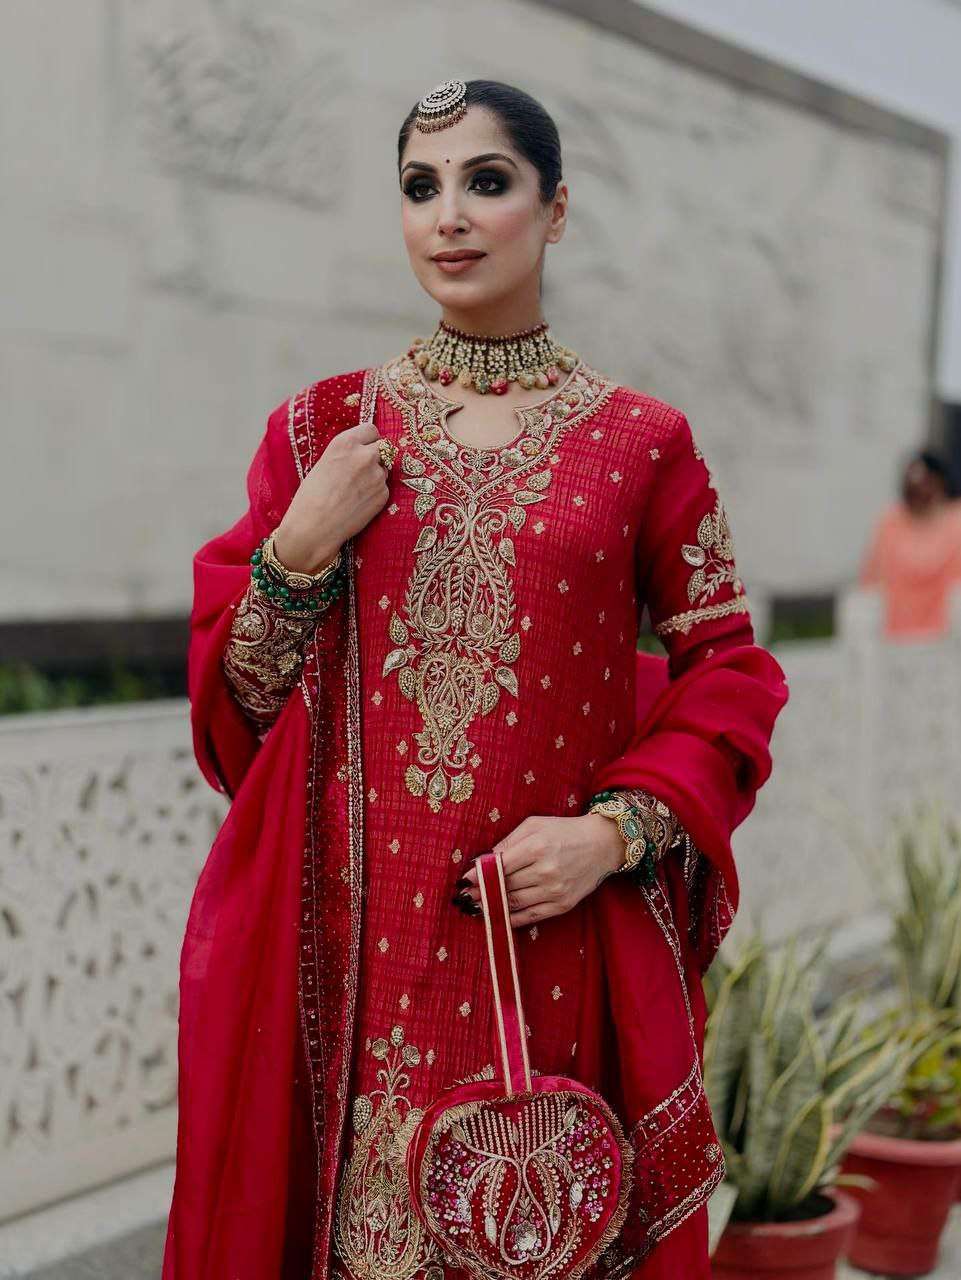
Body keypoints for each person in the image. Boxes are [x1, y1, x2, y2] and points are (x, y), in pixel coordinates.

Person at [163, 79, 788, 1280]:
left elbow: (729, 672)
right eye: (420, 187)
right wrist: (298, 546)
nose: (447, 214)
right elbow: (239, 714)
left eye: (485, 181)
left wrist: (613, 833)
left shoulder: (642, 444)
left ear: (556, 210)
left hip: (542, 943)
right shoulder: (321, 431)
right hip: (348, 957)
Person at [859, 449, 961, 639]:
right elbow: (870, 582)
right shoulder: (890, 524)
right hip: (897, 635)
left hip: (952, 634)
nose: (919, 492)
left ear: (940, 484)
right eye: (913, 487)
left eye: (926, 484)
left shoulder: (956, 521)